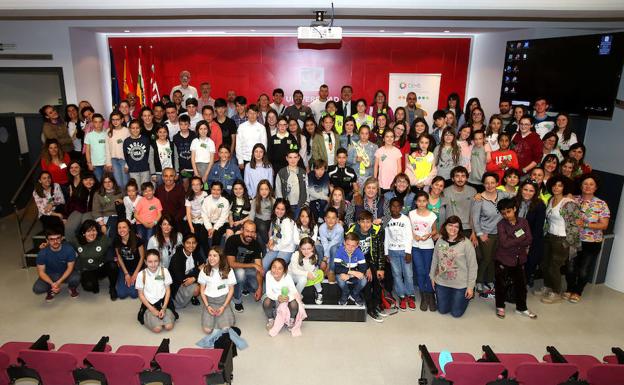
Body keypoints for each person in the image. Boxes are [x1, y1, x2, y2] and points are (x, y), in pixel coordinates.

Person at [566, 174, 610, 303]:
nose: (588, 186)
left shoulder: (601, 204)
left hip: (591, 242)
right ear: (580, 186)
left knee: (584, 270)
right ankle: (569, 288)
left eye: (591, 184)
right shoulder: (573, 199)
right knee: (570, 267)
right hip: (573, 240)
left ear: (596, 188)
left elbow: (604, 225)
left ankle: (577, 291)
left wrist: (584, 224)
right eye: (585, 184)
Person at [538, 175, 581, 304]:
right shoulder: (551, 199)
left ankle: (556, 292)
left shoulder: (568, 203)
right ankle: (547, 286)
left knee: (554, 266)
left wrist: (567, 244)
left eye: (560, 185)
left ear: (565, 187)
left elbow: (575, 225)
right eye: (554, 185)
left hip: (562, 239)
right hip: (549, 236)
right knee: (545, 264)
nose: (556, 188)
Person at [494, 198, 536, 319]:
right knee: (501, 284)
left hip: (519, 259)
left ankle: (522, 308)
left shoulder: (524, 222)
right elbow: (504, 244)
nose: (506, 215)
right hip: (503, 259)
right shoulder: (501, 224)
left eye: (508, 211)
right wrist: (520, 238)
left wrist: (513, 239)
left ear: (514, 209)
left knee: (521, 286)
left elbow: (529, 239)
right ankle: (500, 307)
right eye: (503, 213)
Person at [430, 216, 477, 318]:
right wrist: (432, 276)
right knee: (442, 310)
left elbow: (473, 267)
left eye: (456, 226)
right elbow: (435, 259)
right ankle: (451, 297)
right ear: (445, 226)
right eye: (450, 225)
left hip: (460, 284)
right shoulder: (440, 240)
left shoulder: (466, 243)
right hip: (442, 281)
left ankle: (458, 297)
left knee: (456, 314)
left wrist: (470, 287)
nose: (453, 228)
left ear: (460, 229)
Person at [472, 172, 509, 297]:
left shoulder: (503, 195)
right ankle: (479, 281)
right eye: (487, 183)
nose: (490, 185)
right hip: (486, 234)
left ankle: (489, 280)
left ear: (497, 184)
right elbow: (475, 219)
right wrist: (480, 234)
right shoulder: (479, 199)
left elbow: (517, 195)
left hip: (501, 233)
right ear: (483, 184)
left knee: (494, 259)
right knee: (486, 259)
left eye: (493, 182)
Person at [347, 210, 385, 321]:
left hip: (370, 258)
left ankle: (376, 305)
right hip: (356, 261)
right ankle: (370, 308)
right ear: (358, 222)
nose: (365, 225)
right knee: (367, 282)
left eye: (368, 222)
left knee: (377, 281)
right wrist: (366, 268)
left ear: (372, 222)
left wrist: (380, 268)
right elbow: (353, 253)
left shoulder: (376, 231)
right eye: (362, 222)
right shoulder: (353, 233)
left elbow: (380, 251)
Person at [225, 220, 264, 312]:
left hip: (245, 268)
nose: (249, 234)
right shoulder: (232, 240)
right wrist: (253, 265)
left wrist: (260, 288)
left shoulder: (256, 245)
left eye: (252, 232)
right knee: (240, 272)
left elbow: (259, 268)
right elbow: (231, 264)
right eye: (247, 231)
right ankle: (237, 300)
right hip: (229, 270)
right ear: (242, 230)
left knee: (256, 286)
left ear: (255, 233)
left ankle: (243, 286)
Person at [73, 220, 118, 300]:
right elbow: (63, 245)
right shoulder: (77, 241)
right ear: (83, 233)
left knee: (113, 265)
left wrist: (132, 237)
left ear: (97, 231)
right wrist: (47, 244)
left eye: (94, 230)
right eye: (88, 231)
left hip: (101, 268)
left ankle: (112, 287)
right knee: (90, 286)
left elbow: (117, 242)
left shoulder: (103, 239)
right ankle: (94, 283)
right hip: (87, 270)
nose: (92, 233)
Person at [33, 228, 80, 301]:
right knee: (37, 288)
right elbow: (41, 272)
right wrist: (52, 284)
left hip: (65, 273)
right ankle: (50, 290)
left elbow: (70, 268)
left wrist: (58, 282)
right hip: (50, 276)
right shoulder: (42, 253)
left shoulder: (69, 250)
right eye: (51, 239)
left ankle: (72, 287)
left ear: (61, 238)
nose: (55, 241)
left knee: (76, 277)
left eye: (58, 238)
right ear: (47, 240)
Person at [409, 191, 438, 312]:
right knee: (420, 271)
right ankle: (423, 295)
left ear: (427, 202)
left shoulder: (432, 215)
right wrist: (413, 235)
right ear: (416, 202)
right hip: (415, 246)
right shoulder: (411, 214)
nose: (421, 203)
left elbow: (435, 230)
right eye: (419, 201)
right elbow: (409, 228)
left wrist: (429, 234)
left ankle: (430, 295)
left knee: (428, 271)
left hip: (428, 246)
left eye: (424, 201)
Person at [385, 197, 415, 310]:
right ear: (389, 207)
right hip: (392, 251)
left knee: (408, 274)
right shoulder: (387, 219)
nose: (395, 208)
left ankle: (410, 295)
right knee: (396, 274)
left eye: (398, 206)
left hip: (404, 251)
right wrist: (386, 252)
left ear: (402, 207)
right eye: (393, 206)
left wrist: (408, 251)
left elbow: (409, 236)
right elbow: (386, 237)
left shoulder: (405, 219)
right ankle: (402, 296)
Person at [135, 249, 176, 333]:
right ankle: (147, 315)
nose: (153, 264)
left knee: (169, 326)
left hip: (163, 302)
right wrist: (152, 309)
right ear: (145, 262)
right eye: (150, 262)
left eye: (156, 261)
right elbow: (141, 294)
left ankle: (165, 314)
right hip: (149, 304)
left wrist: (164, 308)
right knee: (157, 329)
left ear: (159, 260)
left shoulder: (164, 271)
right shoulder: (141, 275)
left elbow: (168, 290)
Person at [515, 179, 546, 287]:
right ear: (521, 190)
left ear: (535, 192)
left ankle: (524, 282)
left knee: (528, 263)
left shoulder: (540, 205)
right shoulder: (514, 201)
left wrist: (528, 244)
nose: (527, 193)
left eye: (531, 191)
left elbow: (538, 228)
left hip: (532, 240)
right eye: (525, 189)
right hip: (514, 238)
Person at [198, 247, 236, 333]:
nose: (211, 258)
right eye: (210, 255)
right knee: (207, 330)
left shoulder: (228, 270)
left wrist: (224, 306)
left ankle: (227, 310)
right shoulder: (204, 270)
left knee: (225, 329)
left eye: (215, 255)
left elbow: (231, 290)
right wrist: (207, 306)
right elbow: (202, 290)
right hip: (209, 302)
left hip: (223, 301)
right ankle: (212, 315)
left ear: (221, 257)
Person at [440, 166, 477, 240]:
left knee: (473, 250)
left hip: (467, 228)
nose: (460, 179)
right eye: (457, 176)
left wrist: (474, 233)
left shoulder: (472, 191)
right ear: (452, 179)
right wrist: (441, 232)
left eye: (463, 176)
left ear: (466, 178)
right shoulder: (445, 192)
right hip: (450, 228)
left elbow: (474, 213)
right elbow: (441, 213)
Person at [263, 258, 300, 331]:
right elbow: (269, 292)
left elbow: (294, 291)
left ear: (284, 270)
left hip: (286, 298)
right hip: (273, 297)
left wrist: (288, 297)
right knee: (266, 302)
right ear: (271, 267)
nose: (276, 270)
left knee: (294, 304)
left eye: (280, 268)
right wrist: (277, 297)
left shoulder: (287, 277)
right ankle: (271, 319)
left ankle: (291, 319)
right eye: (274, 267)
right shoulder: (268, 274)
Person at [115, 219, 145, 300]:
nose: (121, 230)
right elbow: (119, 257)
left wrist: (135, 274)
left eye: (124, 227)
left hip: (137, 268)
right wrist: (126, 274)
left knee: (134, 294)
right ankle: (122, 280)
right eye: (119, 228)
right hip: (125, 268)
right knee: (121, 294)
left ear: (129, 228)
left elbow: (142, 257)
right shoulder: (116, 240)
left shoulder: (137, 239)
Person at [334, 232, 368, 306]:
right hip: (343, 274)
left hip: (352, 275)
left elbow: (363, 269)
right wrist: (351, 272)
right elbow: (337, 269)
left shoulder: (359, 253)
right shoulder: (340, 251)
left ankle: (354, 294)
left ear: (357, 246)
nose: (350, 248)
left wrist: (350, 275)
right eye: (348, 244)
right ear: (344, 243)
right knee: (340, 278)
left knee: (364, 280)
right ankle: (345, 293)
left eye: (353, 246)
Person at [264, 198, 296, 271]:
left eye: (282, 209)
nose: (279, 211)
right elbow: (277, 233)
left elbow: (287, 241)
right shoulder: (277, 218)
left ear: (286, 210)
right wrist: (272, 239)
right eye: (278, 208)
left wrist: (274, 247)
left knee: (277, 268)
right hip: (278, 245)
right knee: (264, 265)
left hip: (287, 249)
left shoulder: (287, 221)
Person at [289, 238, 323, 304]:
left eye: (309, 248)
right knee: (304, 279)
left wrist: (306, 259)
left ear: (313, 248)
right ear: (300, 248)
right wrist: (307, 273)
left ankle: (319, 291)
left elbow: (309, 271)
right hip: (291, 276)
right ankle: (296, 297)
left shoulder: (314, 256)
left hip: (303, 275)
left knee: (316, 273)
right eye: (303, 249)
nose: (306, 251)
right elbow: (294, 270)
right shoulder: (296, 254)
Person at [275, 150, 308, 216]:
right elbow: (278, 190)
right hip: (286, 206)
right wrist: (282, 205)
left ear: (298, 158)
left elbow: (307, 188)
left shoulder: (303, 172)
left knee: (297, 224)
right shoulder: (281, 173)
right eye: (290, 157)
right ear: (286, 158)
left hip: (300, 205)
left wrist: (306, 203)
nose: (293, 160)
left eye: (295, 157)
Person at [91, 173, 123, 238]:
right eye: (105, 182)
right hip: (102, 217)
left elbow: (129, 203)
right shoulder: (98, 194)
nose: (107, 184)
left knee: (111, 233)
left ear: (113, 182)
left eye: (109, 181)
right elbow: (96, 211)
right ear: (102, 184)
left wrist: (123, 202)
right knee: (96, 232)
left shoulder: (120, 191)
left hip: (116, 216)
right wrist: (102, 225)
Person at [236, 105, 267, 170]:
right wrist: (240, 160)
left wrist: (262, 159)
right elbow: (238, 145)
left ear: (258, 114)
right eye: (250, 113)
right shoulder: (241, 127)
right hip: (244, 159)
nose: (252, 115)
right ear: (247, 114)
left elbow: (264, 146)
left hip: (258, 159)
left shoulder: (262, 128)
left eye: (254, 113)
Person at [317, 207, 344, 283]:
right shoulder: (322, 228)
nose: (331, 220)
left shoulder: (340, 229)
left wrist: (326, 260)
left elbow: (332, 245)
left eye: (333, 218)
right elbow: (325, 244)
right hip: (327, 251)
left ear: (337, 220)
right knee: (318, 247)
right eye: (328, 218)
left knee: (333, 248)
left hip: (337, 249)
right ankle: (321, 269)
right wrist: (324, 260)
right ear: (325, 219)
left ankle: (331, 271)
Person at [201, 181, 231, 247]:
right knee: (202, 237)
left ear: (221, 191)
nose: (216, 192)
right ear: (210, 189)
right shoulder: (206, 200)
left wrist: (214, 228)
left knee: (217, 236)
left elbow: (223, 217)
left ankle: (215, 253)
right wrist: (209, 228)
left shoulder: (225, 201)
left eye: (218, 190)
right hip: (209, 222)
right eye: (214, 189)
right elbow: (204, 215)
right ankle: (207, 255)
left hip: (221, 223)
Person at [347, 125, 378, 189]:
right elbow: (347, 162)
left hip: (369, 177)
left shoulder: (374, 147)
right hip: (356, 177)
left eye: (366, 133)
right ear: (359, 134)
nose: (364, 136)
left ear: (369, 135)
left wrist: (369, 163)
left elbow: (376, 163)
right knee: (357, 197)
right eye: (362, 133)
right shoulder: (352, 147)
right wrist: (355, 159)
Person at [123, 120, 152, 188]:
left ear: (140, 128)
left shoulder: (145, 139)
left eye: (137, 128)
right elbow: (126, 155)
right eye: (133, 128)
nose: (135, 130)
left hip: (145, 169)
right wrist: (128, 165)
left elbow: (148, 154)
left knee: (145, 188)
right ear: (129, 129)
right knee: (137, 189)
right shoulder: (127, 141)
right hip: (133, 170)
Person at [105, 110, 130, 188]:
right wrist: (108, 163)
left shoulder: (127, 131)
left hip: (124, 161)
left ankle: (126, 199)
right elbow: (107, 148)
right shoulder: (108, 131)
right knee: (118, 183)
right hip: (114, 161)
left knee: (126, 183)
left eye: (117, 119)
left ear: (122, 120)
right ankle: (121, 199)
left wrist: (127, 164)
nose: (115, 122)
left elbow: (129, 149)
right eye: (113, 119)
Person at [250, 180, 275, 248]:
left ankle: (264, 255)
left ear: (269, 190)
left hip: (269, 222)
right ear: (258, 190)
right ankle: (268, 244)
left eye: (266, 189)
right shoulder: (255, 201)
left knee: (260, 239)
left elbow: (274, 217)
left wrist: (270, 230)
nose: (264, 192)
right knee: (262, 226)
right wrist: (251, 229)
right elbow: (252, 215)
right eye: (261, 189)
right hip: (258, 221)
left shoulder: (273, 201)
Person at [84, 113, 108, 181]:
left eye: (100, 122)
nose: (98, 124)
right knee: (99, 182)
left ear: (103, 122)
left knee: (108, 181)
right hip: (95, 165)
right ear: (92, 123)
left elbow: (109, 150)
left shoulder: (107, 134)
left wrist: (108, 162)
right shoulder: (89, 135)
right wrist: (89, 163)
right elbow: (87, 151)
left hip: (106, 163)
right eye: (96, 122)